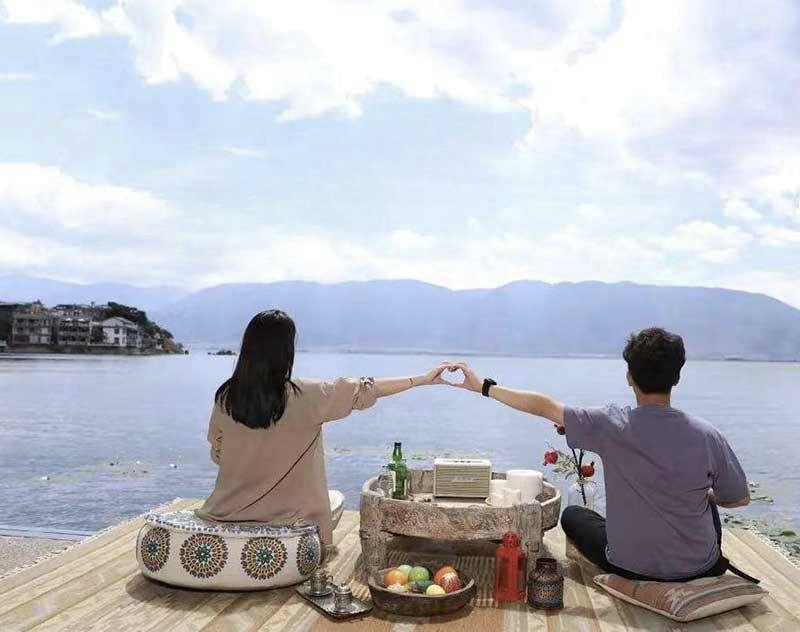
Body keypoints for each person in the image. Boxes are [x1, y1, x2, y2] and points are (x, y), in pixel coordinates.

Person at [445, 327, 754, 582]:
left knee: (573, 515)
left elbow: (543, 406)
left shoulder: (610, 425)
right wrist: (704, 495)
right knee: (707, 502)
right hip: (698, 569)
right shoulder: (707, 435)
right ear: (677, 377)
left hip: (629, 567)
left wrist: (483, 387)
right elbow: (738, 499)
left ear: (629, 376)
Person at [196, 309, 451, 547]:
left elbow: (218, 455)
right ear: (286, 351)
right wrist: (422, 379)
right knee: (336, 499)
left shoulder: (226, 397)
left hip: (225, 514)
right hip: (290, 524)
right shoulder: (306, 395)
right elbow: (365, 389)